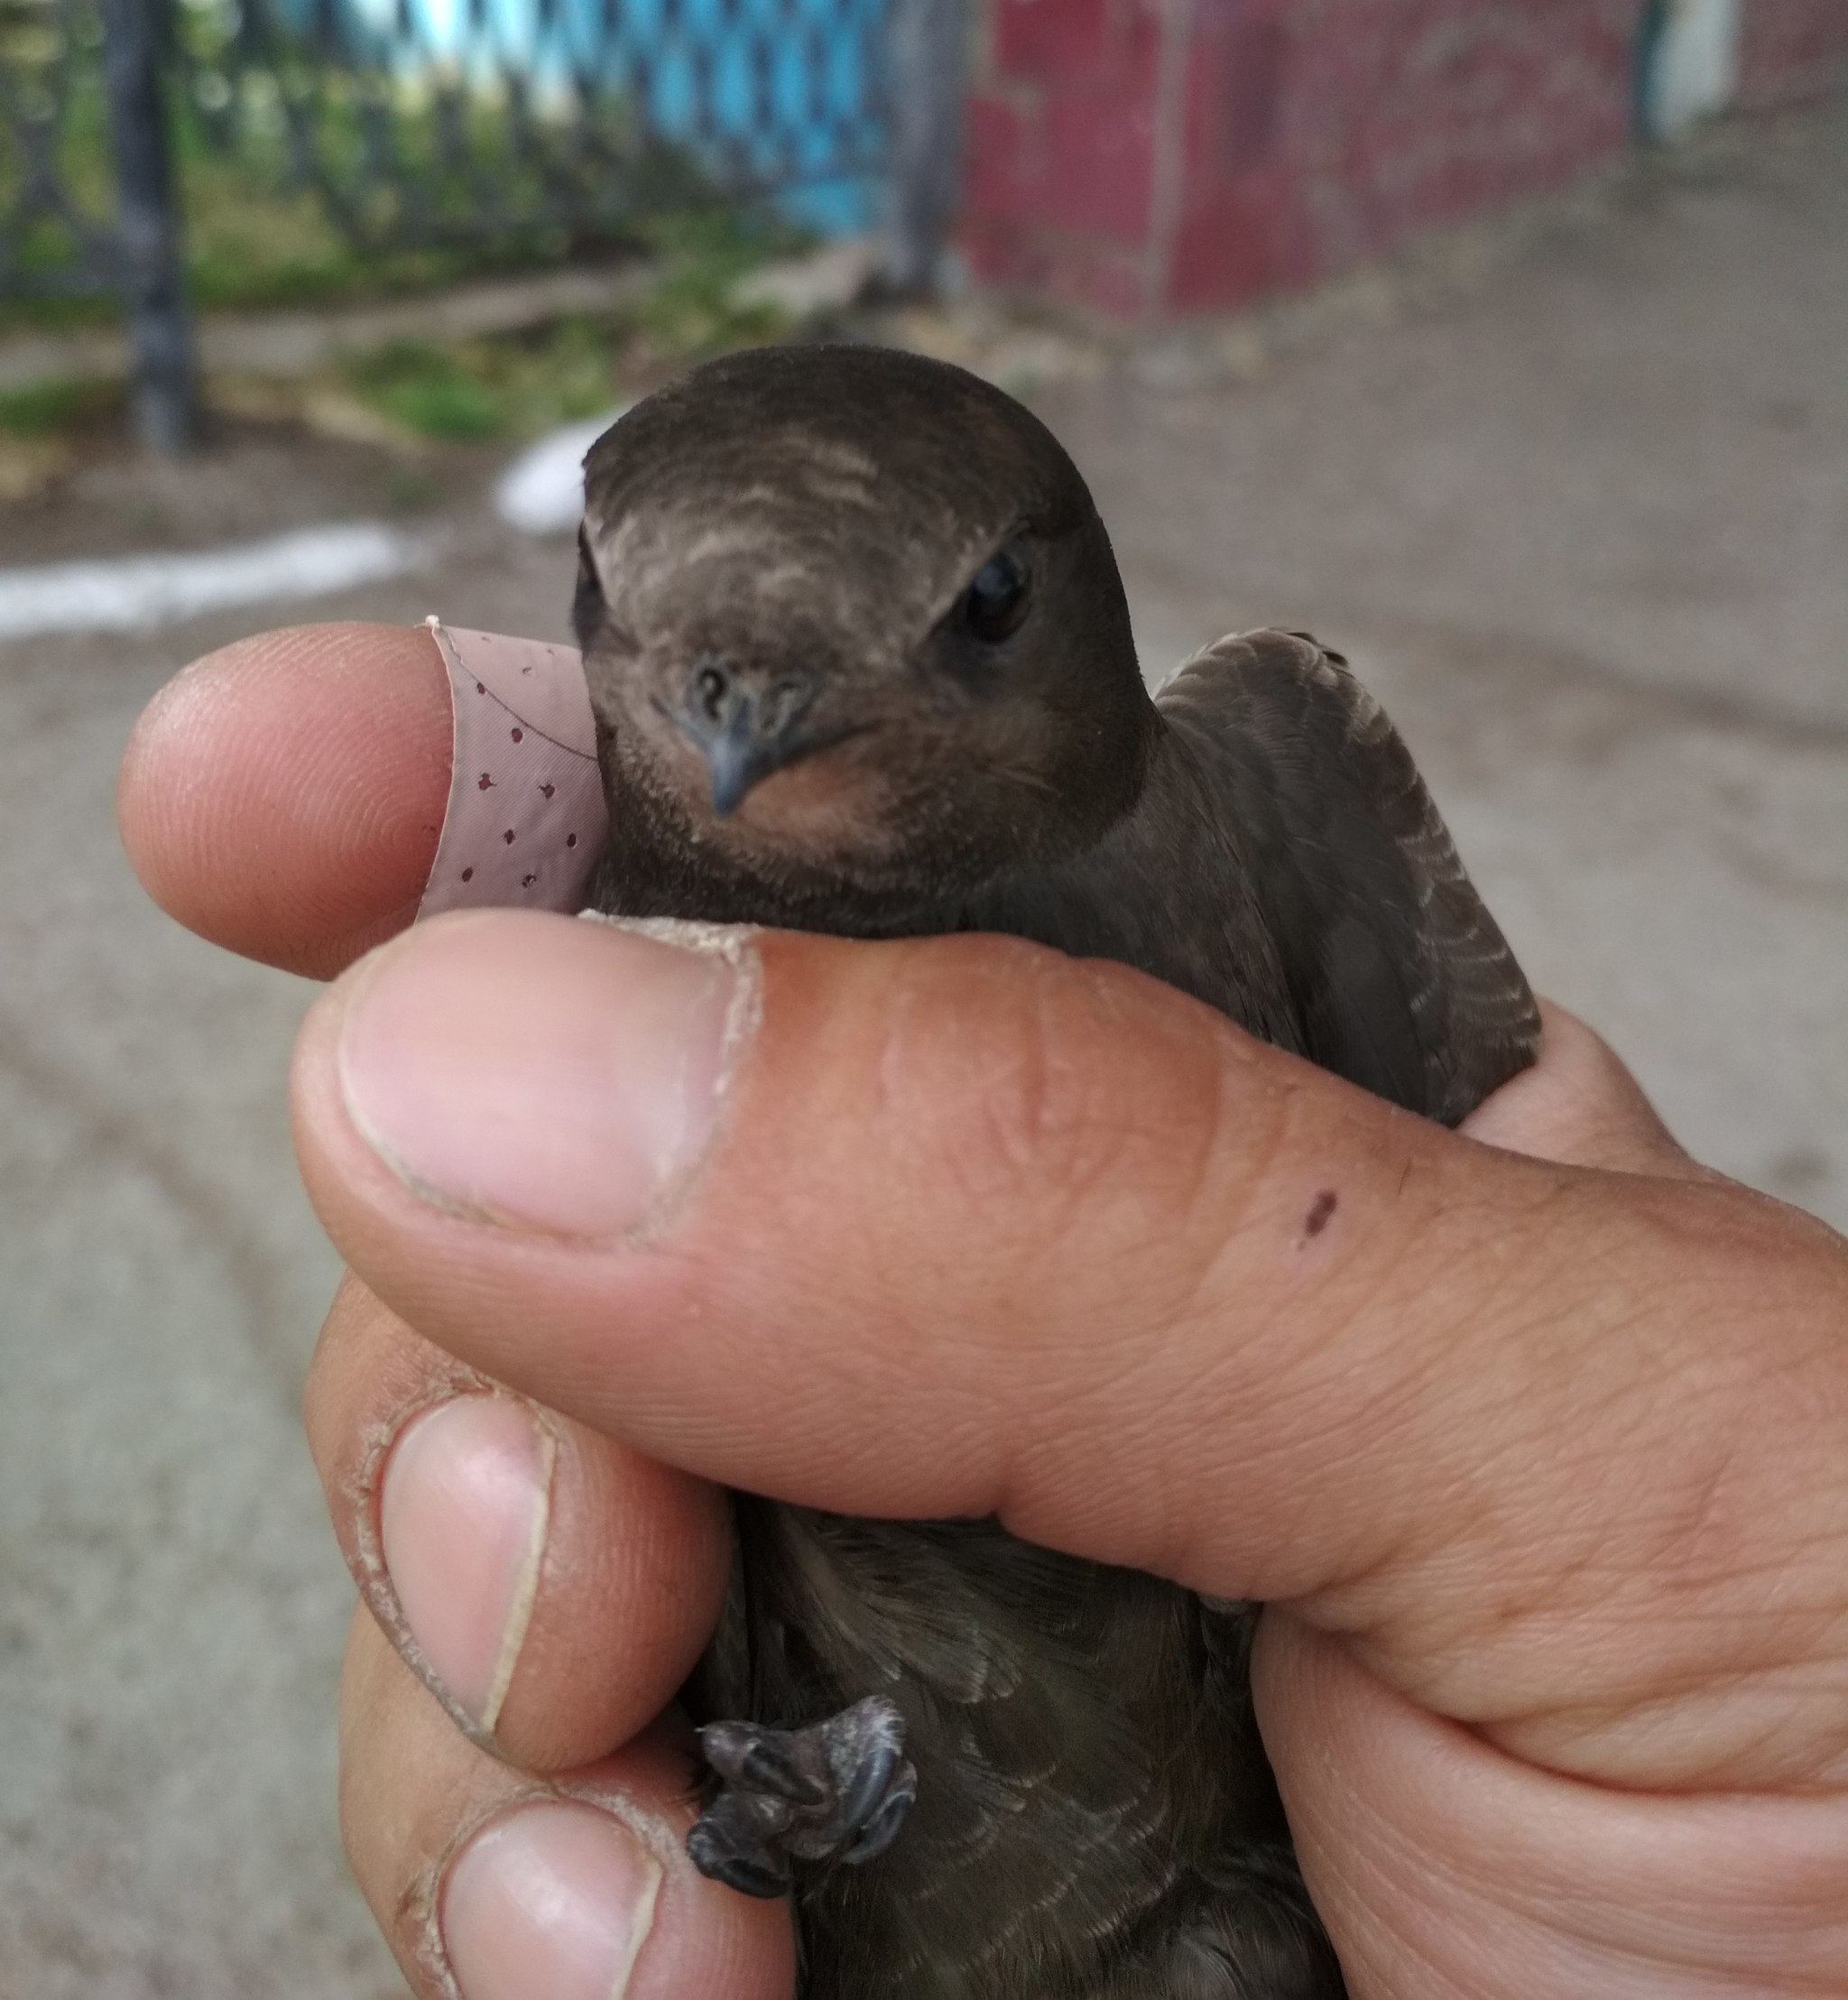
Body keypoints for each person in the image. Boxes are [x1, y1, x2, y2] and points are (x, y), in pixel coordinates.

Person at [119, 621, 1848, 2000]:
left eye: (976, 620)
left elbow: (1533, 1257)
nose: (764, 749)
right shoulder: (609, 876)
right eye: (692, 665)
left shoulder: (1248, 794)